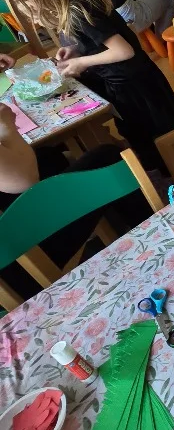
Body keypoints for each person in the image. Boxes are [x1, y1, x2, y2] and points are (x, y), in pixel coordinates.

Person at [0, 0, 174, 173]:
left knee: (144, 139)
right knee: (133, 133)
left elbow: (124, 51)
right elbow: (99, 39)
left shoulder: (78, 9)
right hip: (128, 82)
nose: (23, 7)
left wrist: (80, 62)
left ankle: (165, 177)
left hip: (134, 87)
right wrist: (76, 50)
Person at [0, 56, 150, 300]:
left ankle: (110, 227)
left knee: (50, 157)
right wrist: (6, 127)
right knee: (108, 158)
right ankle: (151, 235)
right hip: (17, 267)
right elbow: (23, 179)